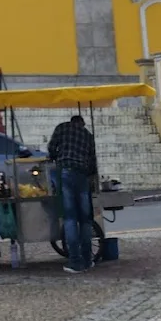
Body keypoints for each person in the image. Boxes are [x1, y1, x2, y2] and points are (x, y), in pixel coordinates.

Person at [48, 113, 97, 273]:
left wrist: (57, 157)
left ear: (71, 121)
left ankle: (75, 262)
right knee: (85, 220)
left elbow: (51, 148)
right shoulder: (87, 135)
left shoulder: (62, 128)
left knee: (70, 218)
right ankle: (88, 260)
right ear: (82, 123)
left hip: (65, 174)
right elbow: (92, 162)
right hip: (82, 176)